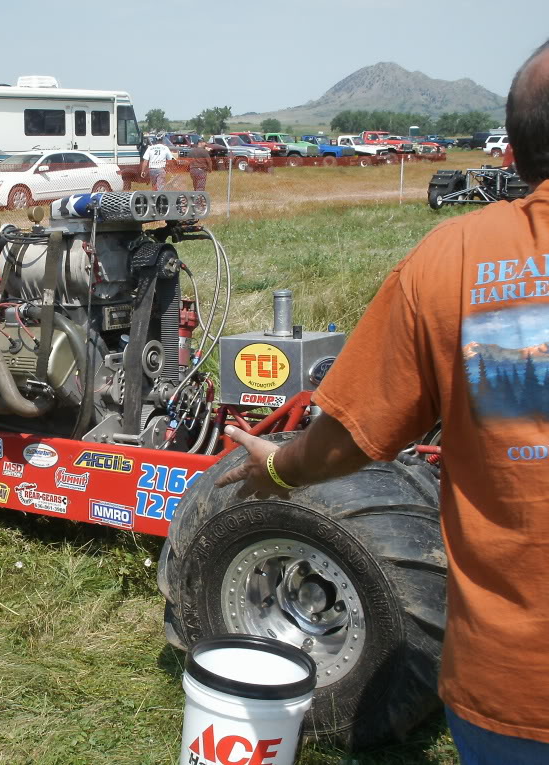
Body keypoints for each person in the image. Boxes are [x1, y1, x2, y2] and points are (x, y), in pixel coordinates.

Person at [215, 39, 549, 764]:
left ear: (517, 152)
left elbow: (351, 439)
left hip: (514, 690)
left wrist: (277, 467)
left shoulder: (456, 259)